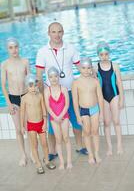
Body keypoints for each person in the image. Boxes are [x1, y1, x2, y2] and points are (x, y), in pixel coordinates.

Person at [36, 22, 87, 161]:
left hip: (70, 92)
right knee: (52, 127)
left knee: (76, 121)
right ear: (48, 33)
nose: (57, 35)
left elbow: (80, 67)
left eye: (59, 31)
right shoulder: (42, 51)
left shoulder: (70, 48)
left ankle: (80, 146)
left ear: (63, 32)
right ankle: (52, 151)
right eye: (53, 32)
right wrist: (42, 97)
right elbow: (39, 76)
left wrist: (91, 76)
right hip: (52, 95)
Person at [1, 38, 30, 166]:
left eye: (16, 47)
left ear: (19, 47)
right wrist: (8, 102)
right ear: (7, 49)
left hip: (25, 96)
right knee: (18, 129)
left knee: (29, 128)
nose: (14, 50)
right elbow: (3, 85)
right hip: (13, 99)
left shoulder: (25, 62)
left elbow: (30, 81)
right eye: (11, 47)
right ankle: (23, 155)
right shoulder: (5, 64)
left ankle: (32, 153)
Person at [21, 74, 56, 174]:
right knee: (34, 145)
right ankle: (38, 164)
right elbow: (22, 113)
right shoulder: (24, 98)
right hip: (31, 125)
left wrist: (45, 123)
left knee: (44, 144)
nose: (33, 88)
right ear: (26, 86)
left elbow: (44, 110)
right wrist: (23, 126)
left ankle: (47, 160)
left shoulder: (40, 96)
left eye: (35, 86)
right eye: (30, 86)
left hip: (41, 123)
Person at [72, 58, 103, 164]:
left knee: (95, 131)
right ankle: (90, 154)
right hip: (83, 111)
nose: (86, 70)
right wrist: (77, 116)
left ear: (91, 69)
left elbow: (100, 98)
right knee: (87, 132)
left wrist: (102, 113)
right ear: (80, 68)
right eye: (83, 68)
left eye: (88, 68)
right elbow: (75, 102)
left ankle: (97, 153)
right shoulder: (76, 83)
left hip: (95, 109)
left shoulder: (95, 81)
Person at [96, 41, 124, 156]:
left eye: (106, 54)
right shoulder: (95, 68)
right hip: (103, 98)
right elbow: (96, 86)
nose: (104, 57)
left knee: (116, 121)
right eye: (101, 55)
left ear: (109, 53)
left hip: (115, 96)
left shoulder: (115, 66)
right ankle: (109, 147)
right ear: (98, 55)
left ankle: (119, 145)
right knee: (107, 123)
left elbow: (119, 83)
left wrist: (121, 99)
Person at [44, 67, 72, 169]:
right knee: (58, 139)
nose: (54, 79)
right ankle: (61, 162)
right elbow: (48, 107)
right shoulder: (47, 91)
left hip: (64, 116)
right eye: (51, 77)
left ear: (58, 77)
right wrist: (55, 117)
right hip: (54, 118)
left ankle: (69, 161)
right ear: (48, 78)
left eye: (55, 76)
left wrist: (60, 116)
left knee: (66, 138)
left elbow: (67, 105)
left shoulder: (63, 89)